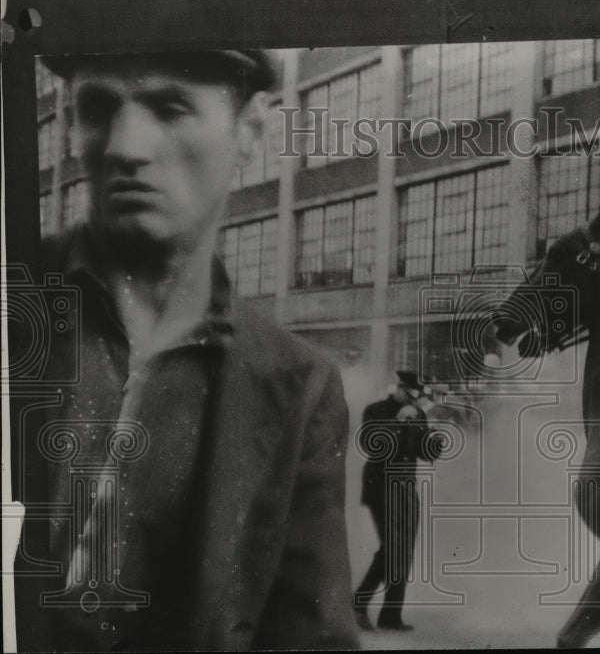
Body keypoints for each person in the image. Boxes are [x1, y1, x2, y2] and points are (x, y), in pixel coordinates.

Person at [11, 49, 358, 649]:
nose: (125, 146)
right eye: (98, 107)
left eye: (170, 107)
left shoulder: (297, 386)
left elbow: (310, 635)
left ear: (250, 128)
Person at [353, 371, 444, 632]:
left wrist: (434, 440)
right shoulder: (376, 410)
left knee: (402, 550)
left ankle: (390, 616)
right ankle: (358, 605)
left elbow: (424, 453)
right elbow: (369, 445)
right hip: (380, 484)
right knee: (394, 547)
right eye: (411, 395)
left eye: (417, 397)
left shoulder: (418, 413)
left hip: (405, 487)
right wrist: (396, 422)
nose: (414, 401)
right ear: (400, 389)